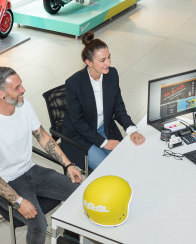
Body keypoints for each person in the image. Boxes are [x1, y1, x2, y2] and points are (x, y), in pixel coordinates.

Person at [0, 66, 82, 244]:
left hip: (32, 170)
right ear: (0, 93)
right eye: (17, 87)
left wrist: (68, 164)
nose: (23, 89)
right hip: (8, 183)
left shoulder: (23, 106)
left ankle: (71, 240)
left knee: (78, 191)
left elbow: (43, 137)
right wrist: (18, 201)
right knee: (38, 224)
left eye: (21, 84)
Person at [61, 32, 145, 172]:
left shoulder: (112, 74)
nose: (108, 63)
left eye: (109, 57)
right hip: (79, 135)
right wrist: (104, 143)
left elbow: (119, 107)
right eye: (102, 60)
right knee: (108, 168)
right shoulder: (74, 83)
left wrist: (132, 130)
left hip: (103, 127)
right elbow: (78, 122)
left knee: (126, 161)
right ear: (89, 62)